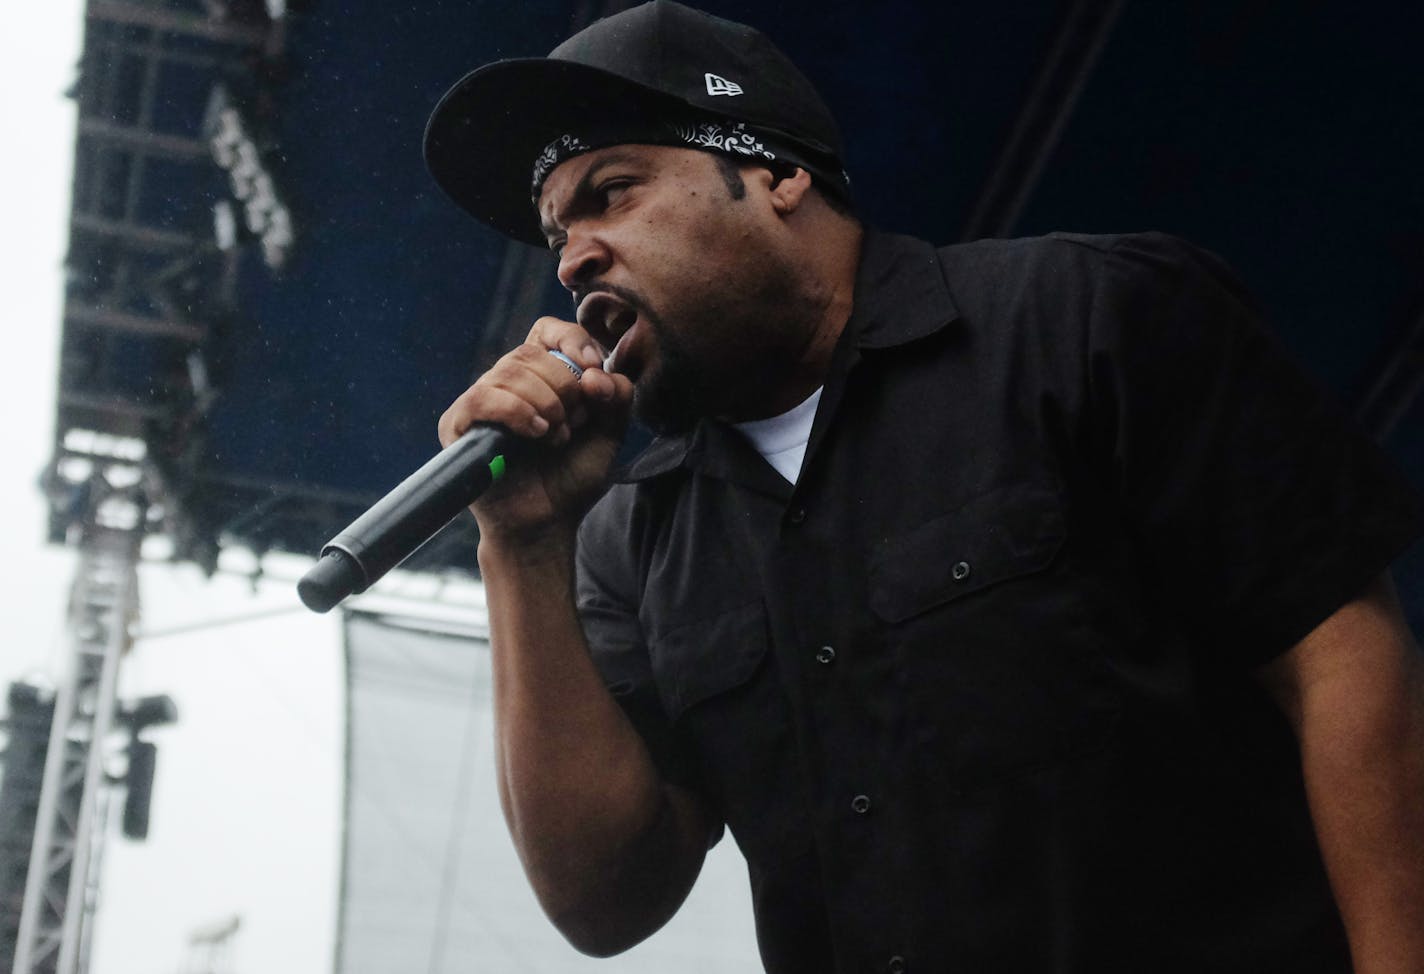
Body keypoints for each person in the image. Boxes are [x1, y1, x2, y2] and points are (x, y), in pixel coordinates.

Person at [423, 3, 1424, 971]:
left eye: (611, 191)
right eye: (554, 233)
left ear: (773, 173)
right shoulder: (633, 540)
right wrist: (520, 542)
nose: (573, 257)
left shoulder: (1085, 319)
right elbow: (604, 904)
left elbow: (1339, 662)